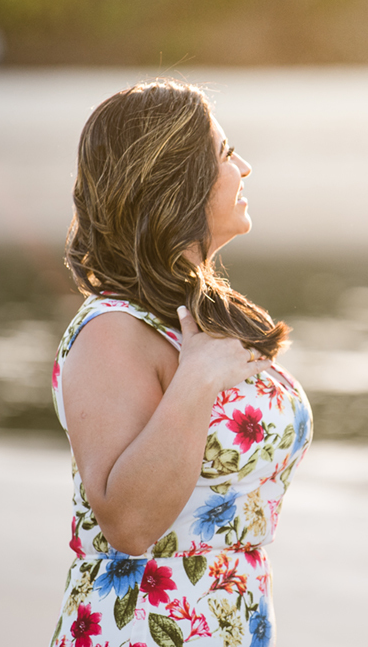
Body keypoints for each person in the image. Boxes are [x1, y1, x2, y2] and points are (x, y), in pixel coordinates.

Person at [49, 79, 312, 647]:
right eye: (223, 153)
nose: (244, 166)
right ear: (176, 182)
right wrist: (195, 379)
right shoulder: (111, 332)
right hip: (143, 627)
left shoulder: (191, 316)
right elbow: (131, 524)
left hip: (231, 617)